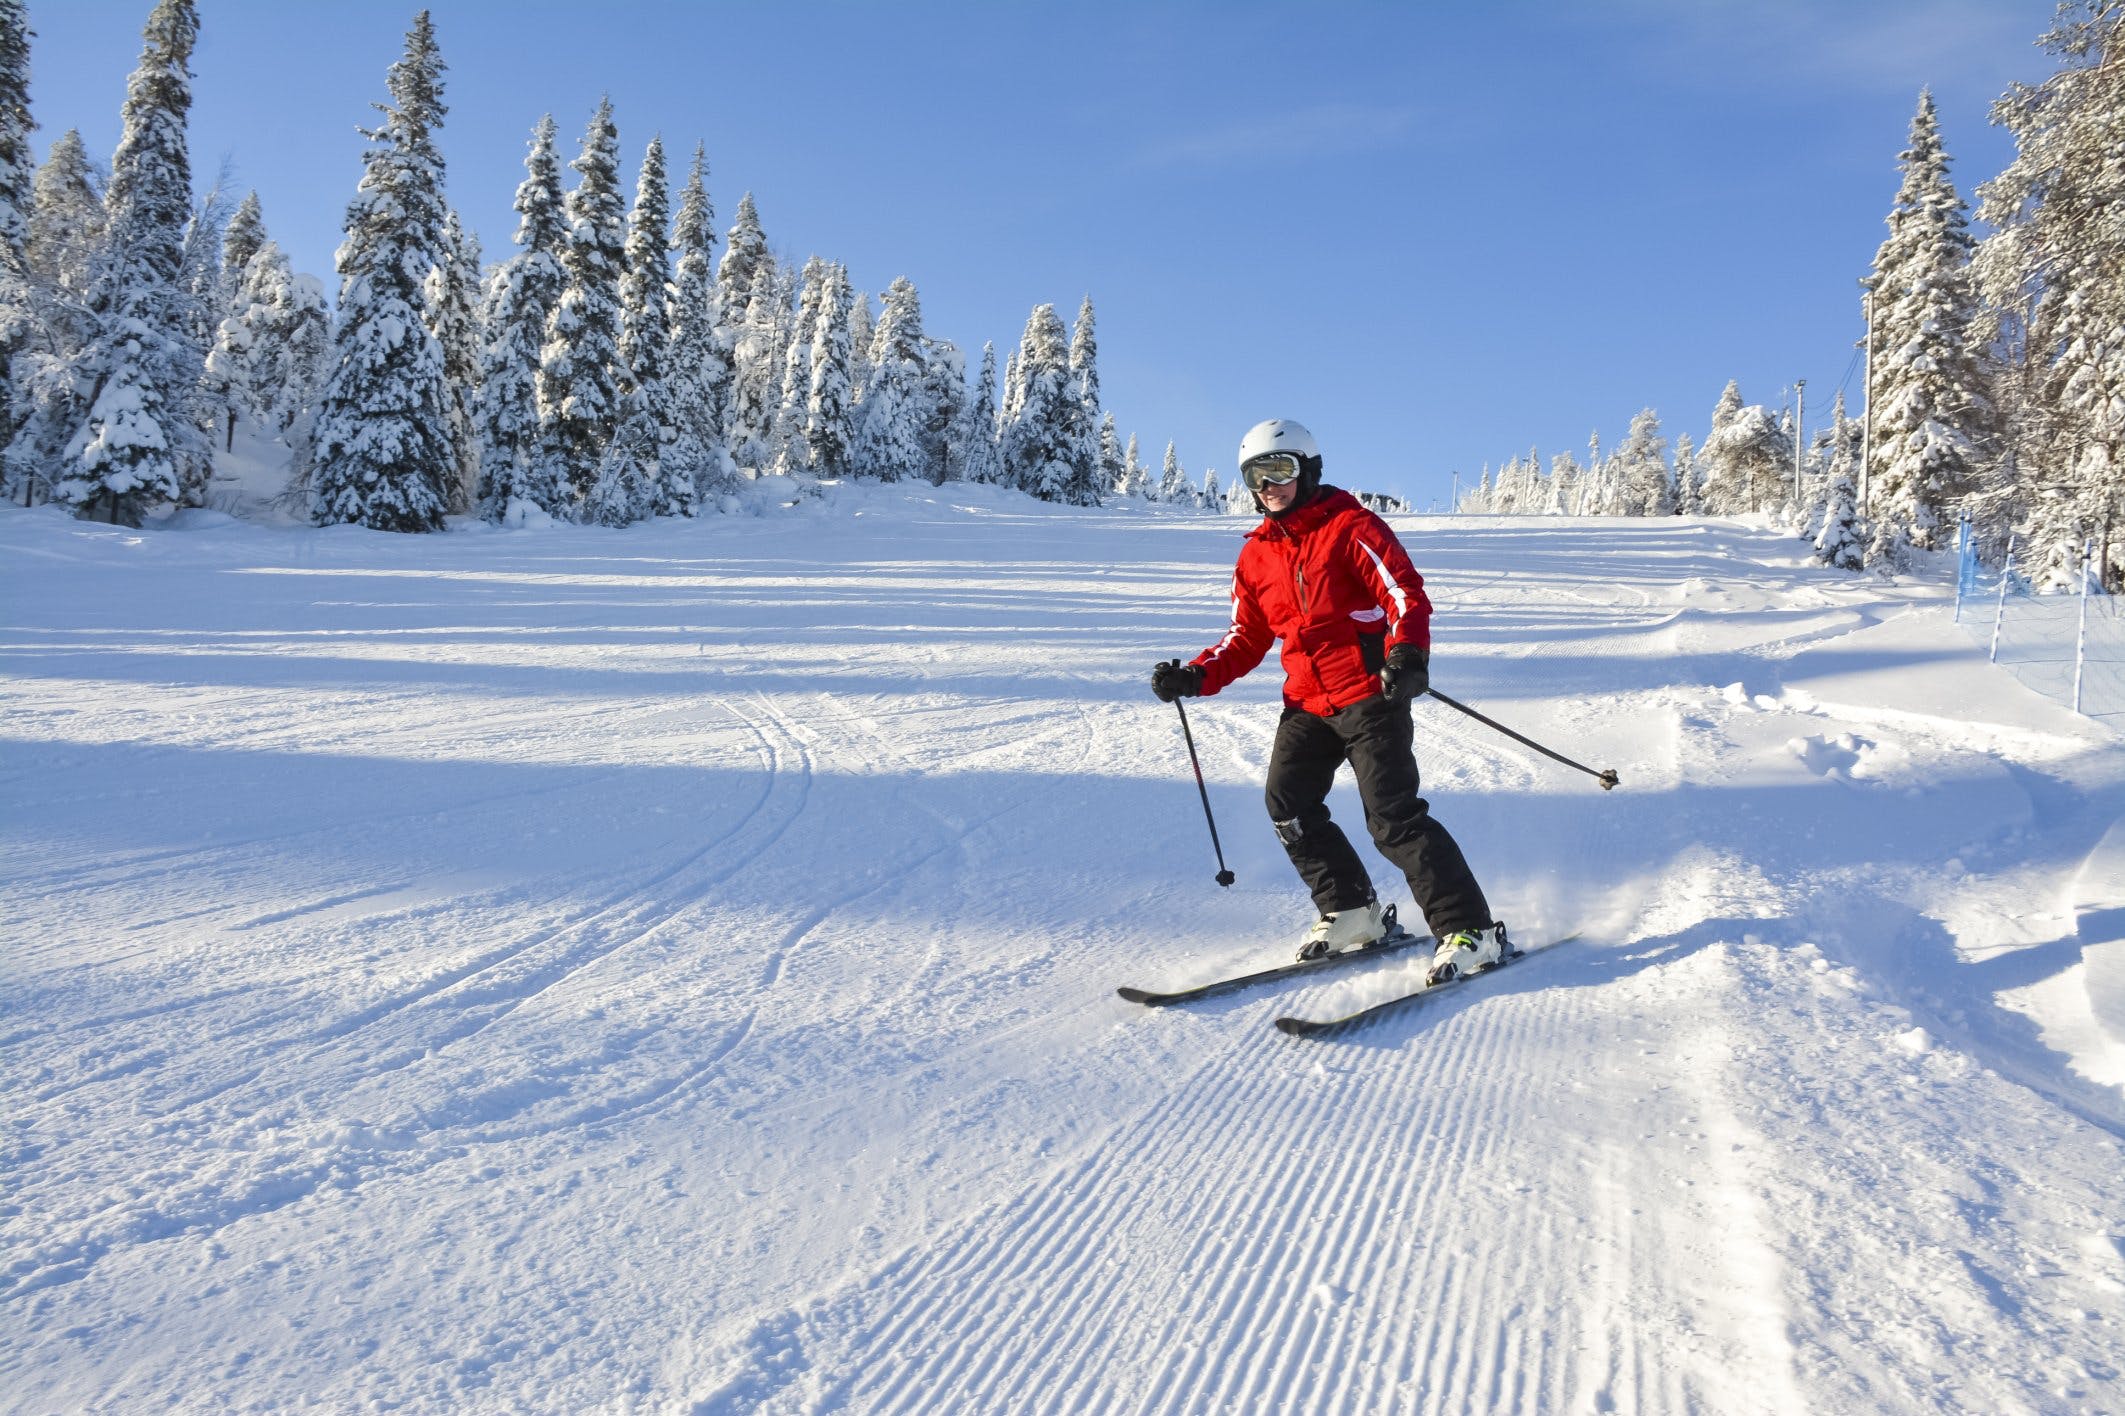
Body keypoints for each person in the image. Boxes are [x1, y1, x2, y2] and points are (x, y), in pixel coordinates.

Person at [1150, 419, 1504, 983]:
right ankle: (1352, 910)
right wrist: (1195, 676)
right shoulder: (1255, 557)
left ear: (1309, 470)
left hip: (1369, 695)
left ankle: (1472, 930)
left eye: (1282, 469)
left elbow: (1403, 595)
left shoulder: (1351, 526)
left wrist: (1407, 654)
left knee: (1392, 818)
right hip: (1307, 702)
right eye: (1257, 476)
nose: (1271, 485)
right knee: (1287, 804)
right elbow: (1245, 637)